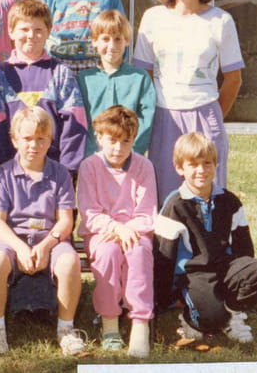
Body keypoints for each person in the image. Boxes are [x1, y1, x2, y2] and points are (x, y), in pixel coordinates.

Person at [134, 0, 243, 205]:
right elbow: (143, 73)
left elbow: (233, 79)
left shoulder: (220, 21)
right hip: (165, 116)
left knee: (207, 195)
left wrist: (213, 115)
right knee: (166, 197)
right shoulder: (153, 18)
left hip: (205, 113)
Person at [0, 107, 85, 357]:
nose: (34, 145)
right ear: (14, 140)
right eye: (27, 138)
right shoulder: (4, 173)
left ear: (50, 140)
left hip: (49, 239)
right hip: (12, 239)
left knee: (69, 262)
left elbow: (65, 221)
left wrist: (45, 246)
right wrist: (19, 247)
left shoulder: (60, 173)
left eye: (41, 139)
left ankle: (66, 329)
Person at [154, 132, 257, 344]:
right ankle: (192, 319)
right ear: (180, 168)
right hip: (193, 274)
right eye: (193, 164)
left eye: (207, 163)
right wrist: (164, 298)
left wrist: (245, 275)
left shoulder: (229, 201)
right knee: (211, 319)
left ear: (216, 164)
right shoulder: (175, 204)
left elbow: (244, 247)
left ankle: (233, 310)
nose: (201, 170)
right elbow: (163, 256)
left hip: (225, 267)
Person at [77, 106, 157, 357]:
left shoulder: (144, 166)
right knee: (108, 254)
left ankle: (140, 323)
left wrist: (127, 229)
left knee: (138, 254)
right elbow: (89, 211)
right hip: (102, 232)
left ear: (134, 140)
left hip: (136, 230)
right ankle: (110, 322)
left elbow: (147, 211)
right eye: (112, 140)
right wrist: (115, 227)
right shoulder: (89, 166)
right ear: (99, 138)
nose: (118, 148)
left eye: (126, 142)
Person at [0, 0, 87, 174]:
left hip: (54, 172)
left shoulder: (60, 72)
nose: (31, 35)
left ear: (48, 32)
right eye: (24, 29)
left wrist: (68, 170)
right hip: (11, 172)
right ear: (11, 32)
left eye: (38, 30)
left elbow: (75, 124)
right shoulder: (0, 75)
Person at [78, 10, 155, 157]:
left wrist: (130, 150)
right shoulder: (83, 80)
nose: (112, 46)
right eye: (105, 39)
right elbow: (79, 122)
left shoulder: (140, 78)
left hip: (128, 156)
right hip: (93, 157)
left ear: (127, 41)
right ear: (94, 41)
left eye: (118, 39)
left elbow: (147, 119)